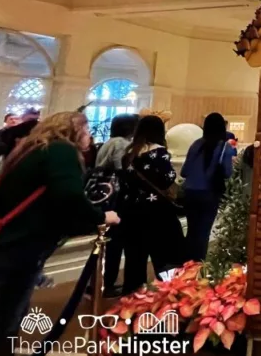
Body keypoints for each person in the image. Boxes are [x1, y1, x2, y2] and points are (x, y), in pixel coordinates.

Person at [0, 112, 119, 356]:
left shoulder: (33, 149)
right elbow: (68, 195)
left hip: (10, 242)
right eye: (87, 132)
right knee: (5, 316)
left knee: (2, 312)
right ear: (75, 131)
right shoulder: (60, 151)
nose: (90, 138)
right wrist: (99, 216)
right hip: (23, 244)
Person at [119, 115, 184, 294]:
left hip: (132, 212)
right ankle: (168, 297)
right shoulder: (159, 152)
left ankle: (133, 299)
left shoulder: (129, 154)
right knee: (166, 258)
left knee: (135, 260)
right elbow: (167, 179)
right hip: (157, 213)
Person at [93, 114, 139, 296]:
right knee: (114, 240)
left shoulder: (108, 142)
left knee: (108, 240)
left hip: (104, 195)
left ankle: (101, 281)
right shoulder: (120, 144)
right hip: (115, 198)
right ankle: (107, 282)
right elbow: (123, 169)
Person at [181, 113, 236, 262]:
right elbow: (227, 172)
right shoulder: (225, 147)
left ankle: (186, 264)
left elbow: (184, 172)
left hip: (190, 192)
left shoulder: (195, 144)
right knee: (203, 233)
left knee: (191, 231)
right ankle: (198, 266)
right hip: (210, 193)